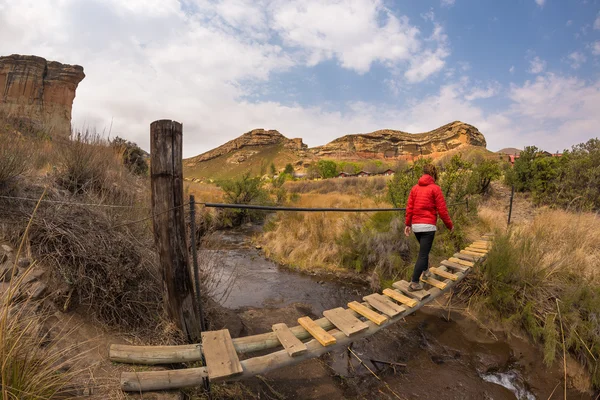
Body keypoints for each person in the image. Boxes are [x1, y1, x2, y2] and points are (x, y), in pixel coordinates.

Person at [403, 164, 453, 291]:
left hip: (416, 226)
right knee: (423, 254)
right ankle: (414, 282)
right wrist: (450, 226)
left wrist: (408, 224)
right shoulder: (435, 189)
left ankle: (425, 272)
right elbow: (442, 210)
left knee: (424, 251)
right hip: (428, 227)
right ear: (433, 174)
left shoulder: (414, 189)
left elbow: (409, 209)